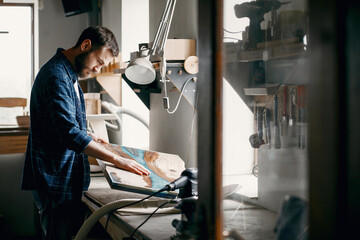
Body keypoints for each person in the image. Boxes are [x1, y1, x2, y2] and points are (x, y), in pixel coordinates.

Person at [21, 26, 150, 240]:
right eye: (99, 62)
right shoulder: (57, 76)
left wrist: (89, 135)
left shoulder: (68, 75)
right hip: (54, 177)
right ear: (86, 45)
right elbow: (68, 133)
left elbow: (67, 123)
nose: (98, 70)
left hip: (62, 176)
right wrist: (117, 160)